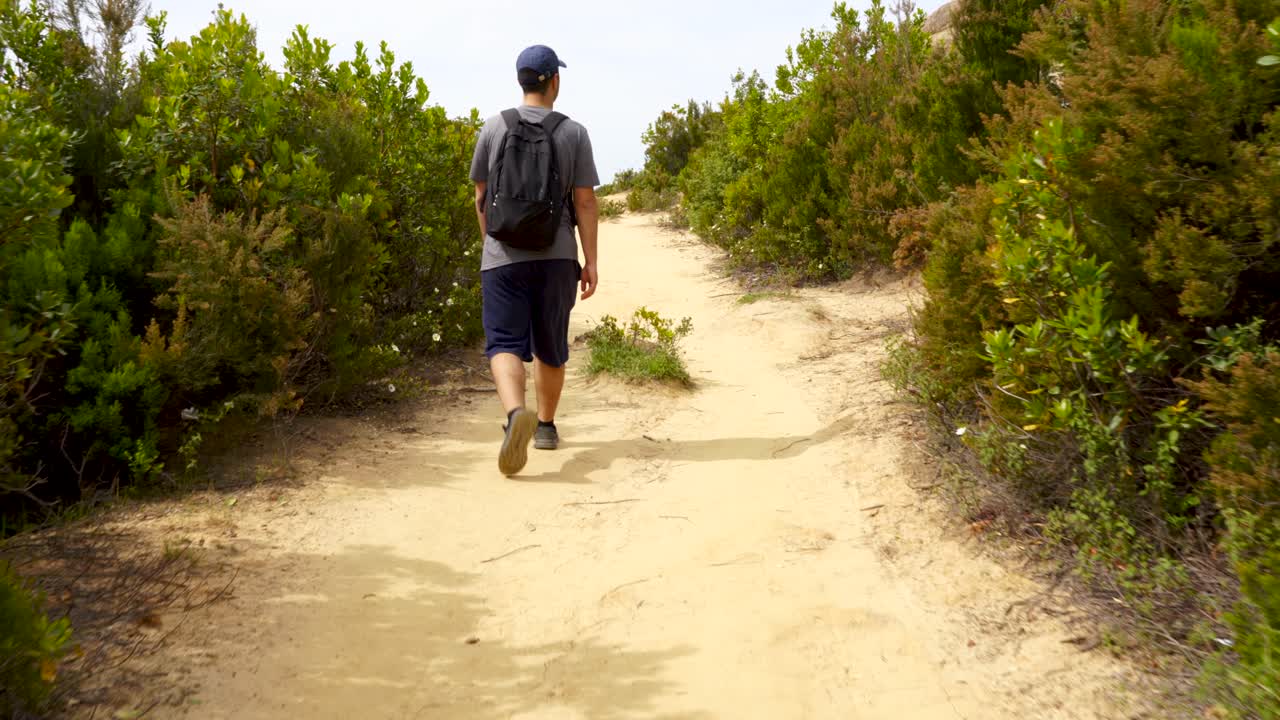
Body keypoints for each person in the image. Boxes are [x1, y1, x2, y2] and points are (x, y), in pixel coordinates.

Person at [469, 44, 600, 477]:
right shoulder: (573, 132)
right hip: (556, 254)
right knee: (551, 345)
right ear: (554, 81)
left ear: (522, 80)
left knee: (504, 342)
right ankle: (544, 427)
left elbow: (481, 196)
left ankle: (514, 416)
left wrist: (494, 246)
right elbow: (584, 202)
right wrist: (590, 260)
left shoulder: (493, 127)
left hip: (503, 256)